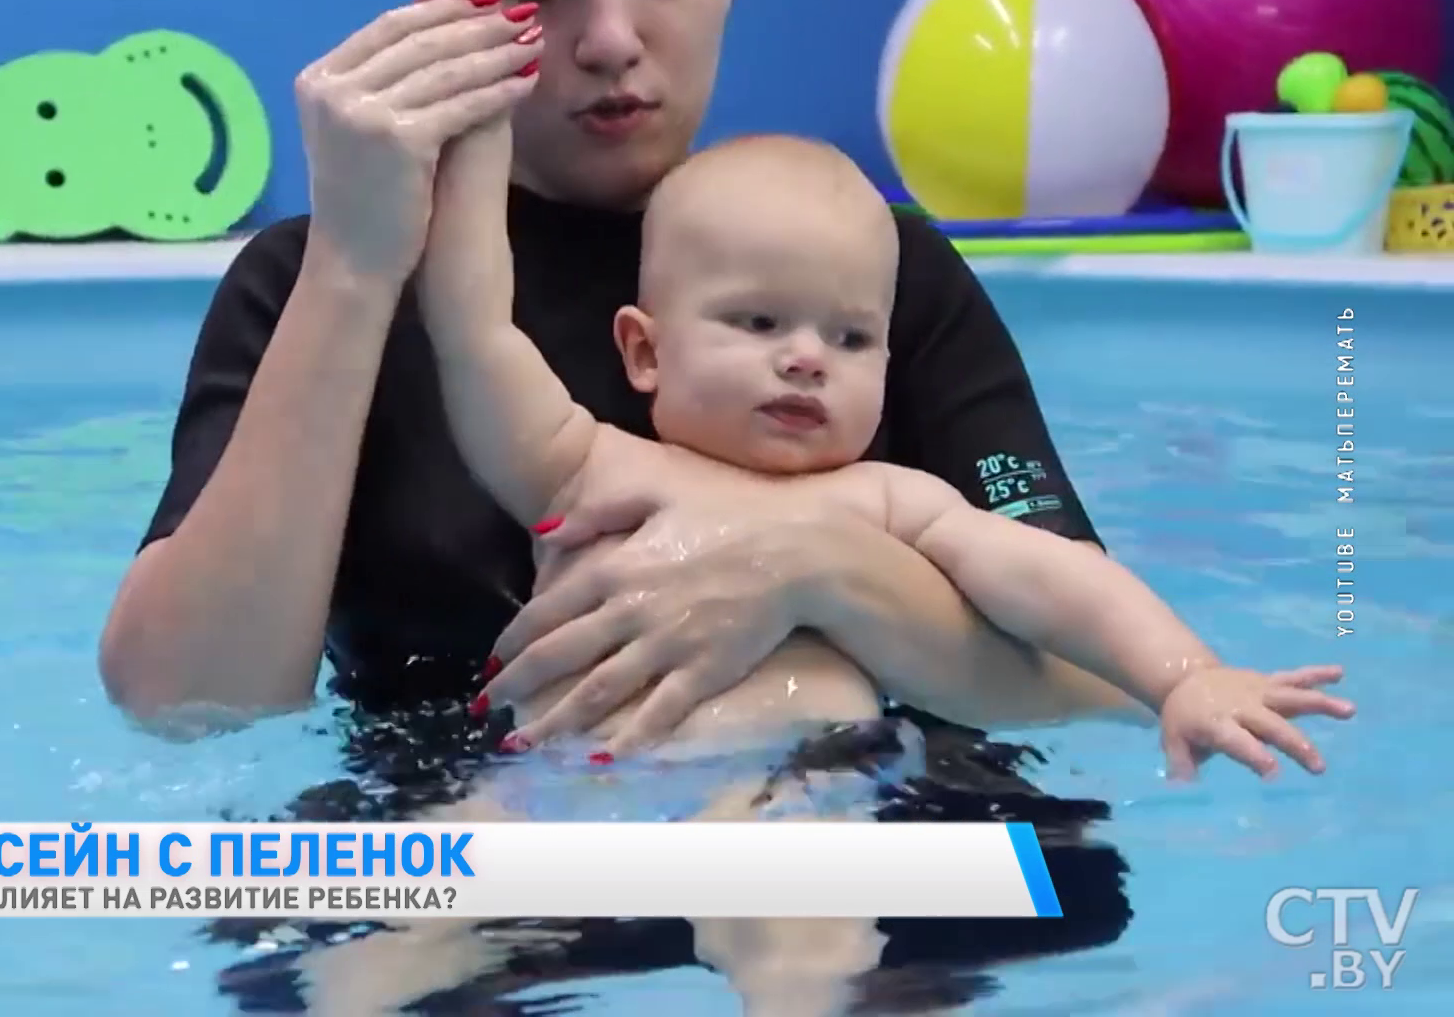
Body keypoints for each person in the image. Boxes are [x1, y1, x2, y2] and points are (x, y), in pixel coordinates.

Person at [99, 0, 1136, 1007]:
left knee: (1065, 882)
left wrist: (816, 568)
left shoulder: (868, 271)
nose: (608, 37)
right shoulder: (318, 280)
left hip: (824, 810)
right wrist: (357, 267)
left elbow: (1101, 673)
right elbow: (188, 704)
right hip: (477, 833)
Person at [416, 128, 1356, 779]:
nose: (805, 358)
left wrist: (1185, 677)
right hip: (557, 786)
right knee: (391, 950)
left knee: (805, 939)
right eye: (759, 321)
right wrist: (477, 140)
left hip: (801, 790)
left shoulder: (888, 501)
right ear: (645, 352)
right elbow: (474, 336)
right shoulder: (592, 468)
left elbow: (1057, 581)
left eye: (852, 339)